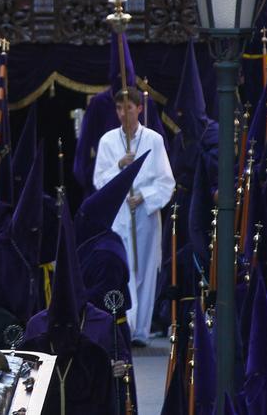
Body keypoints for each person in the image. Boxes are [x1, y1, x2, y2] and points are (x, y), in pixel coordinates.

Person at [92, 88, 174, 345]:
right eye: (119, 109)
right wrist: (118, 166)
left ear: (139, 109)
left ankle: (141, 331)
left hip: (145, 214)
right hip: (119, 215)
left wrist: (145, 197)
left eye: (128, 108)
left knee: (146, 268)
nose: (123, 113)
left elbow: (165, 181)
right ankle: (124, 324)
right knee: (123, 266)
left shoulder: (153, 140)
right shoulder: (107, 141)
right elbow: (98, 180)